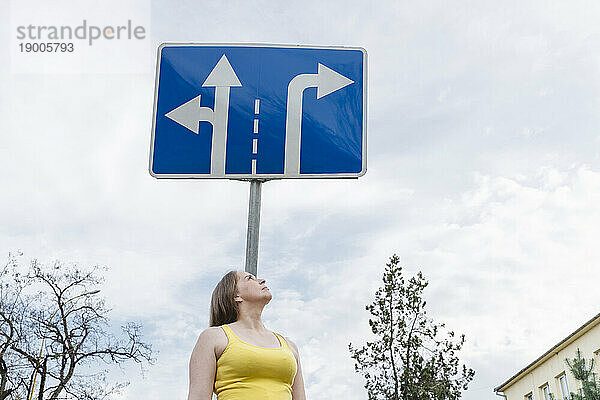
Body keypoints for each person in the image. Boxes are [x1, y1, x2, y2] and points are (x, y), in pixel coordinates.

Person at [187, 270, 307, 400]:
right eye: (249, 278)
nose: (262, 280)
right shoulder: (214, 337)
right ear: (236, 296)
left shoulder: (290, 346)